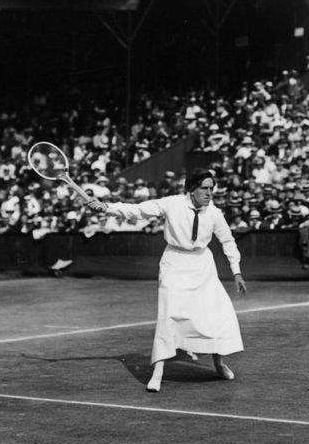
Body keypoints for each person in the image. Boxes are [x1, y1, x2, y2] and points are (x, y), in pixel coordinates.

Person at [85, 168, 247, 393]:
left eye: (212, 189)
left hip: (203, 266)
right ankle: (158, 372)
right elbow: (138, 210)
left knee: (217, 314)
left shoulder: (214, 213)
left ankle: (218, 364)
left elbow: (228, 241)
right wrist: (106, 207)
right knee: (168, 316)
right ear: (191, 189)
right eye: (204, 188)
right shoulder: (171, 203)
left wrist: (236, 272)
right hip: (174, 263)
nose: (210, 193)